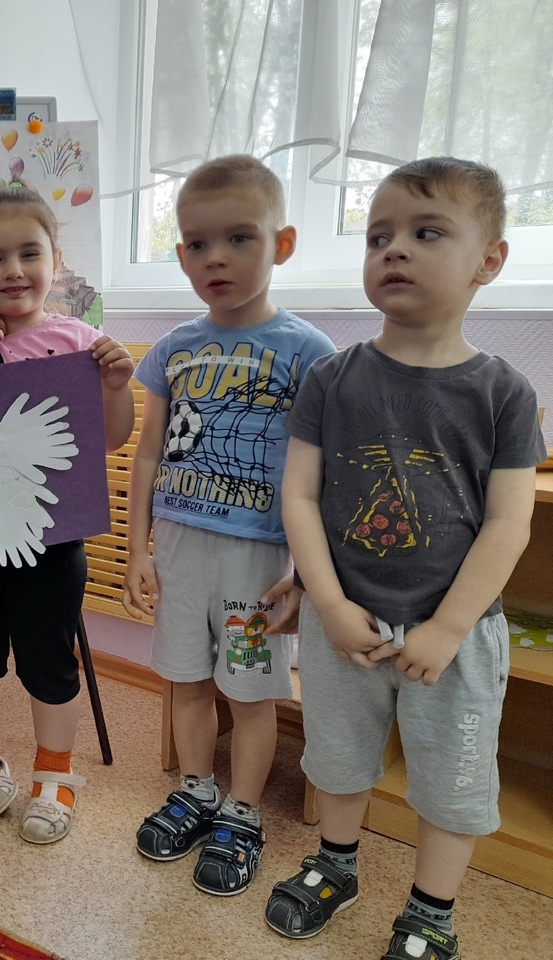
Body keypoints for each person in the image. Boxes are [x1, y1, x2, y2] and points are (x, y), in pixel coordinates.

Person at [264, 157, 545, 960]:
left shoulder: (505, 393)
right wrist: (328, 604)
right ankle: (335, 867)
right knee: (337, 760)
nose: (394, 249)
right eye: (378, 236)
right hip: (342, 625)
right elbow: (301, 498)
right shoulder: (331, 378)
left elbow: (510, 523)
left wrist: (448, 628)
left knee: (453, 783)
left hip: (454, 639)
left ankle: (431, 912)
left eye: (427, 233)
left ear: (489, 260)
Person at [120, 155, 335, 893]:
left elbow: (320, 477)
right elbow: (148, 454)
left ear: (282, 244)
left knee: (249, 692)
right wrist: (137, 551)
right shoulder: (173, 350)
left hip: (259, 559)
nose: (216, 257)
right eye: (198, 243)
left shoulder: (310, 353)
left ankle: (242, 814)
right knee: (185, 682)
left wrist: (303, 575)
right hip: (179, 549)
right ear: (181, 255)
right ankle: (196, 791)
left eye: (240, 238)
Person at [0, 182, 136, 844]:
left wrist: (116, 384)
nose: (13, 270)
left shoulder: (79, 340)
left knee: (49, 658)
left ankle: (55, 771)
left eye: (29, 254)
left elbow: (112, 437)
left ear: (55, 261)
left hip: (51, 538)